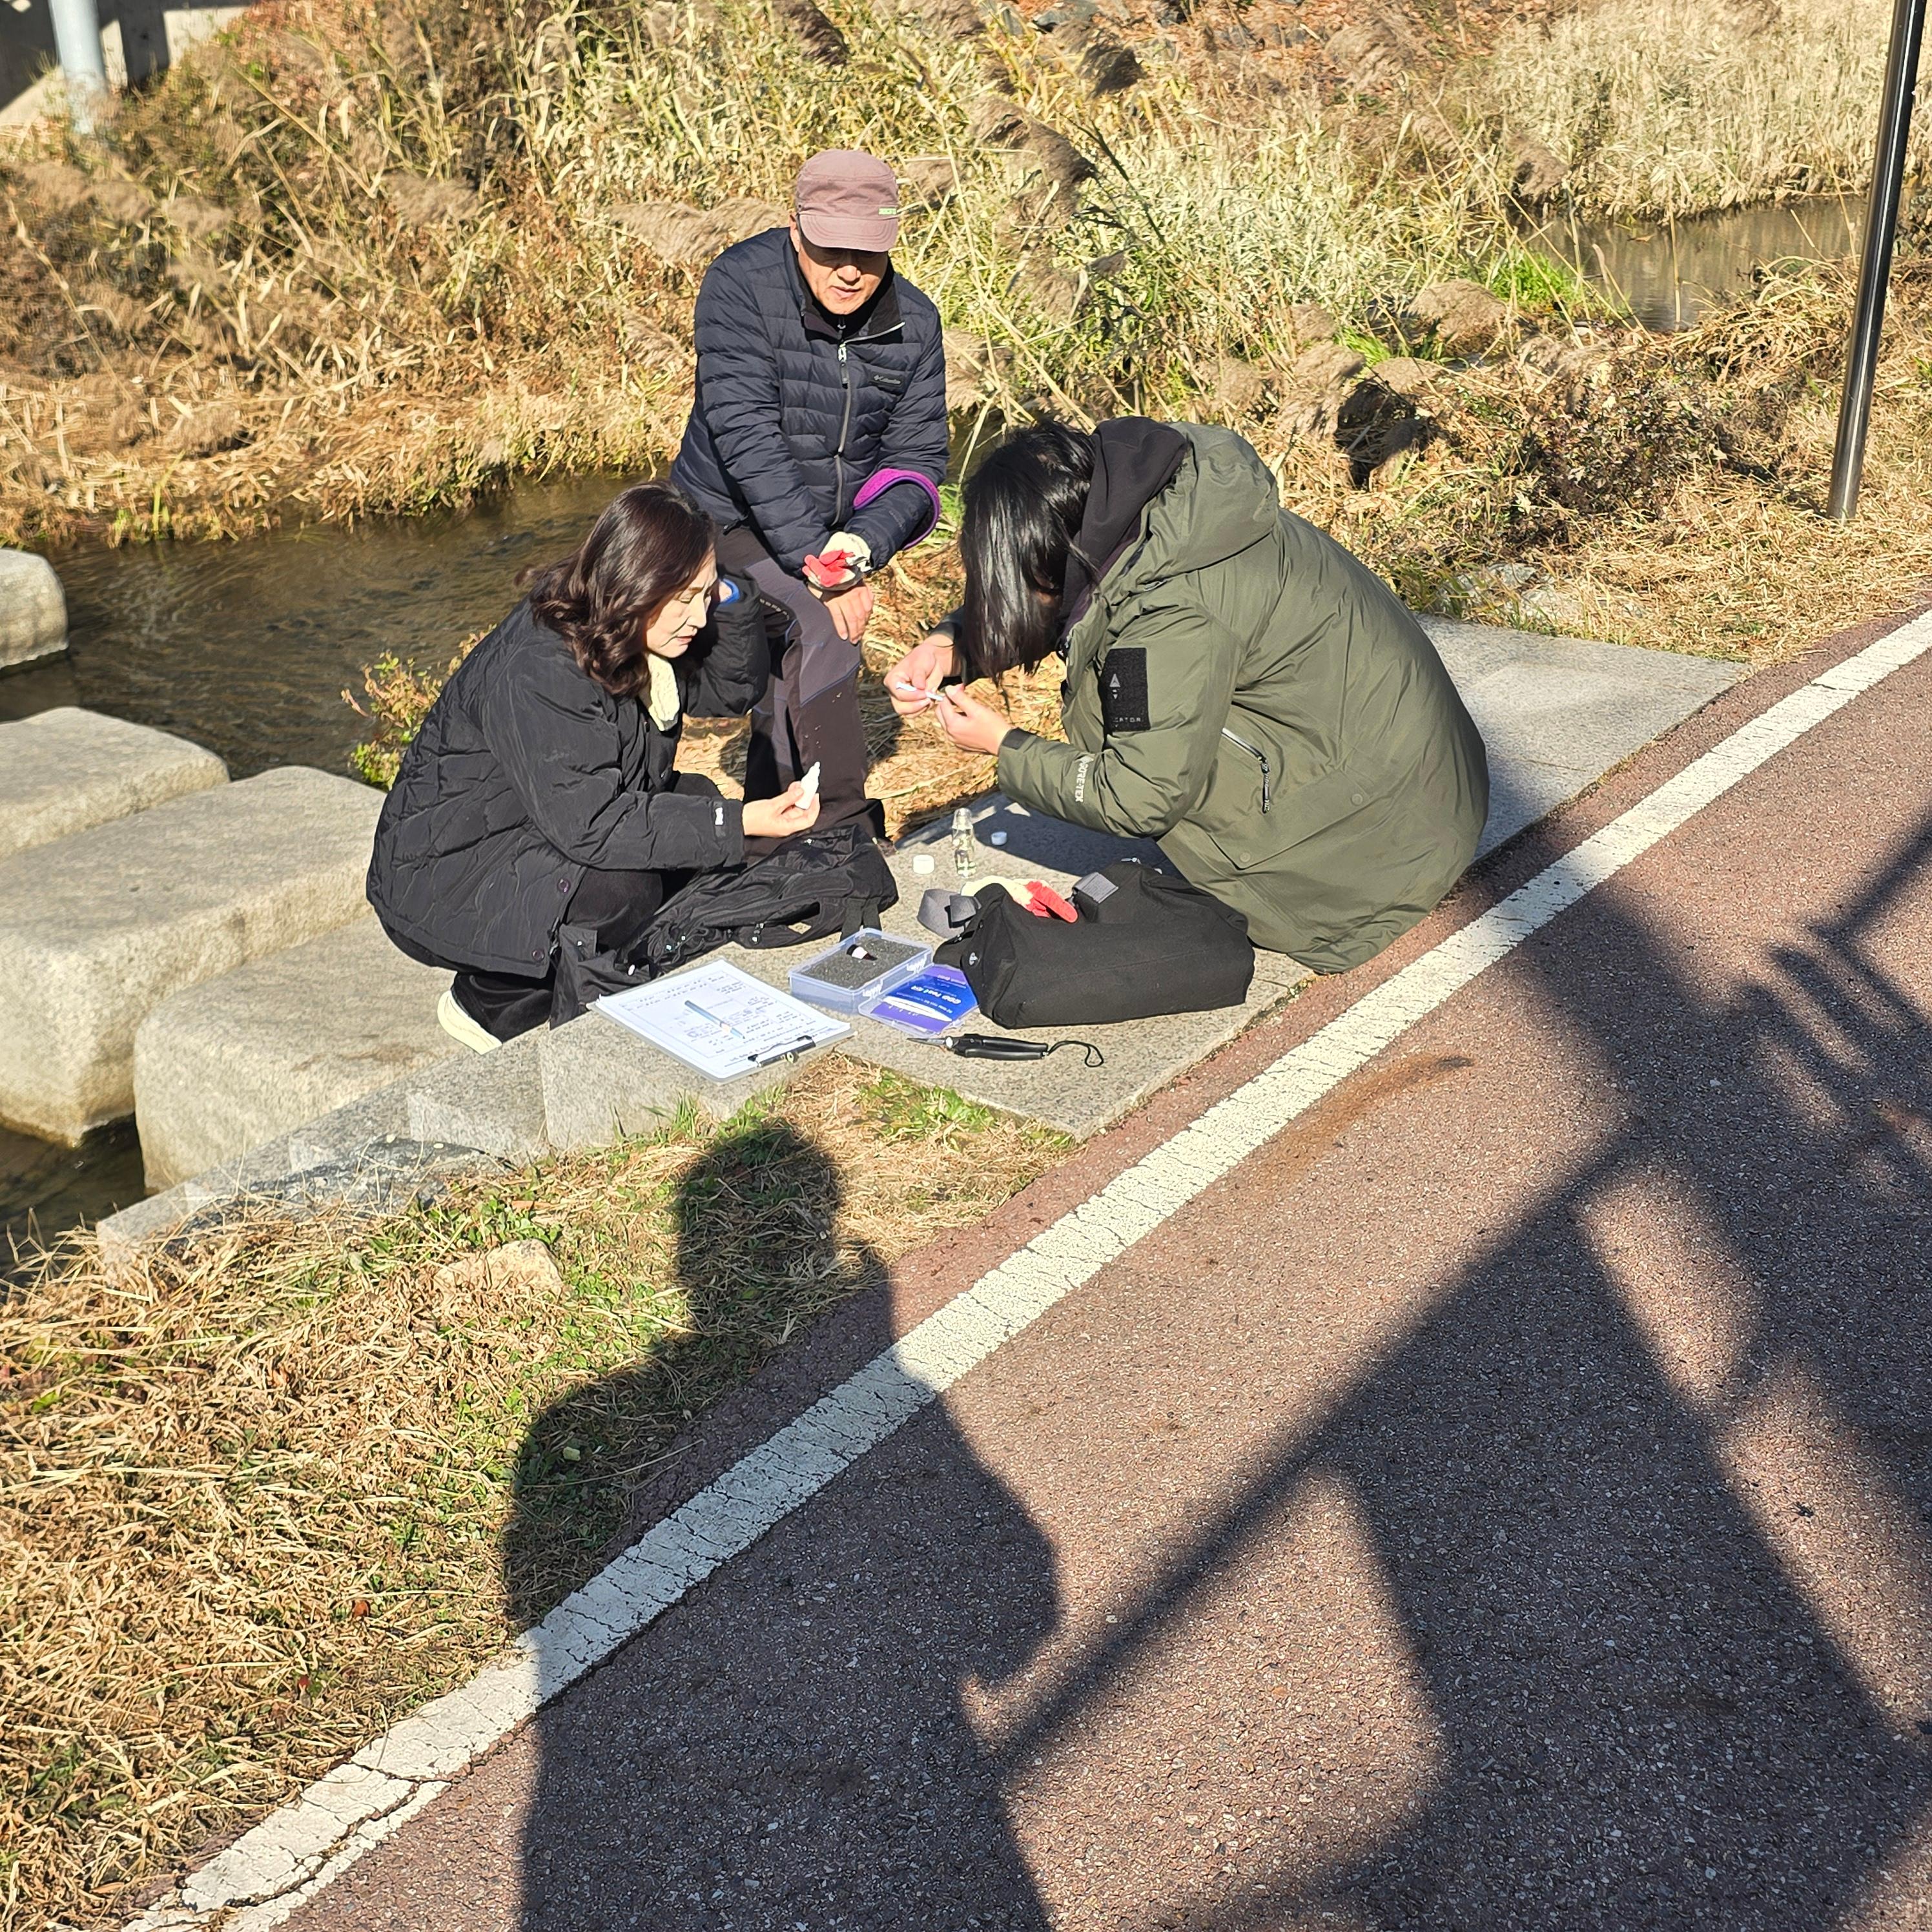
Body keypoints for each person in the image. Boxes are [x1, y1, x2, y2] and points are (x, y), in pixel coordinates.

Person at [885, 418, 1489, 974]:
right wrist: (954, 644)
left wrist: (1005, 746)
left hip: (1377, 859)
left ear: (1055, 557)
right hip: (1425, 782)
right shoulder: (1170, 506)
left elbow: (1136, 798)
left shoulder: (1169, 613)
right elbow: (1061, 593)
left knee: (1147, 760)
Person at [366, 482, 819, 1049]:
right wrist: (743, 821)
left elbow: (730, 692)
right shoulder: (542, 667)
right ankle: (488, 1004)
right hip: (445, 876)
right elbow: (596, 826)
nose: (698, 617)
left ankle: (588, 973)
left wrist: (730, 595)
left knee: (697, 805)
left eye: (706, 594)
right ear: (634, 582)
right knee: (620, 889)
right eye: (683, 598)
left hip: (532, 822)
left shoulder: (625, 619)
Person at [669, 149, 948, 834]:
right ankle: (843, 830)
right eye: (831, 249)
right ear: (796, 230)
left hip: (826, 533)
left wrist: (859, 546)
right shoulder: (740, 284)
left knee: (795, 656)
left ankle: (777, 835)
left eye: (868, 251)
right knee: (825, 623)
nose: (850, 270)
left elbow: (916, 463)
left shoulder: (916, 323)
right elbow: (745, 433)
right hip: (722, 517)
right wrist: (820, 565)